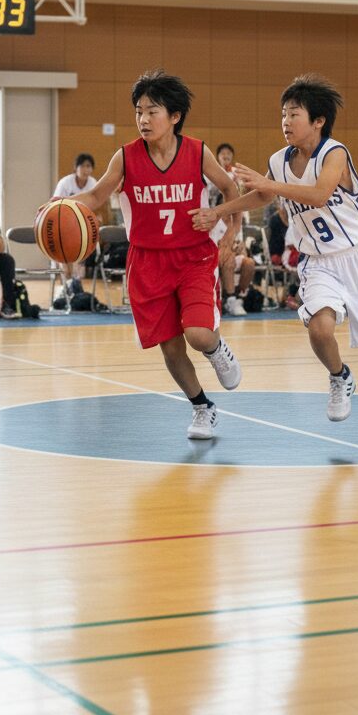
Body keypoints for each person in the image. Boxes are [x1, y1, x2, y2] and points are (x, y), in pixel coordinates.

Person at [191, 73, 358, 437]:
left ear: (318, 120)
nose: (286, 122)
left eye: (294, 115)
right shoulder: (279, 160)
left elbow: (319, 195)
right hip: (318, 261)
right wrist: (219, 212)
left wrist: (270, 184)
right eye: (283, 115)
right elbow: (263, 195)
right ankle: (340, 376)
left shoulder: (335, 153)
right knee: (319, 330)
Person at [64, 70, 243, 440]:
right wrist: (59, 204)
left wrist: (229, 234)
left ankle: (216, 348)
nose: (143, 119)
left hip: (193, 257)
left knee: (198, 334)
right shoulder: (125, 157)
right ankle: (202, 407)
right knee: (171, 348)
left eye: (152, 111)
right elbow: (95, 197)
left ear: (174, 116)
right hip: (147, 262)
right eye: (138, 112)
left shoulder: (197, 152)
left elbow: (231, 190)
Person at [53, 153, 99, 284]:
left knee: (81, 243)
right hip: (63, 221)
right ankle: (66, 279)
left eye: (89, 166)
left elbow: (94, 205)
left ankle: (75, 279)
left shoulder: (93, 183)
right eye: (83, 166)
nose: (86, 170)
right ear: (76, 168)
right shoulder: (65, 183)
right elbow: (56, 204)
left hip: (82, 223)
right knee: (64, 251)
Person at [219, 235, 256, 316]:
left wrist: (239, 248)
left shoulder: (236, 228)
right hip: (217, 255)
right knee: (229, 260)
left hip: (232, 254)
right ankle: (230, 298)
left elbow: (242, 249)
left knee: (249, 263)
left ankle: (239, 297)